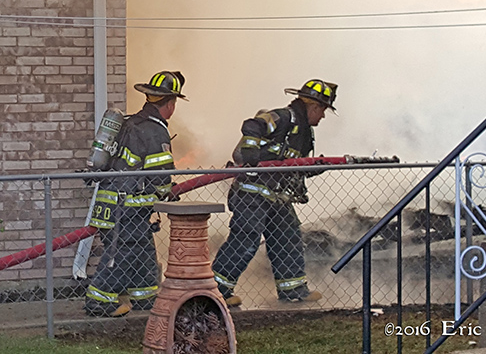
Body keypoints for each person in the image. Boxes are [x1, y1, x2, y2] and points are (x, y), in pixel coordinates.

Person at [212, 79, 338, 306]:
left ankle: (293, 289)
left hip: (277, 196)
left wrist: (317, 166)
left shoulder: (303, 133)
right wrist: (250, 154)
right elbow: (253, 125)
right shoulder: (284, 117)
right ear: (314, 106)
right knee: (246, 240)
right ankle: (217, 291)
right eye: (323, 111)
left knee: (288, 239)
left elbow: (292, 166)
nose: (322, 116)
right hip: (252, 193)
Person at [84, 71, 186, 317]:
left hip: (114, 204)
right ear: (170, 104)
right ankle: (99, 301)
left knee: (143, 252)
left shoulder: (132, 122)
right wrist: (167, 193)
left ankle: (146, 298)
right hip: (127, 207)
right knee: (124, 252)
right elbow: (161, 174)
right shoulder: (154, 131)